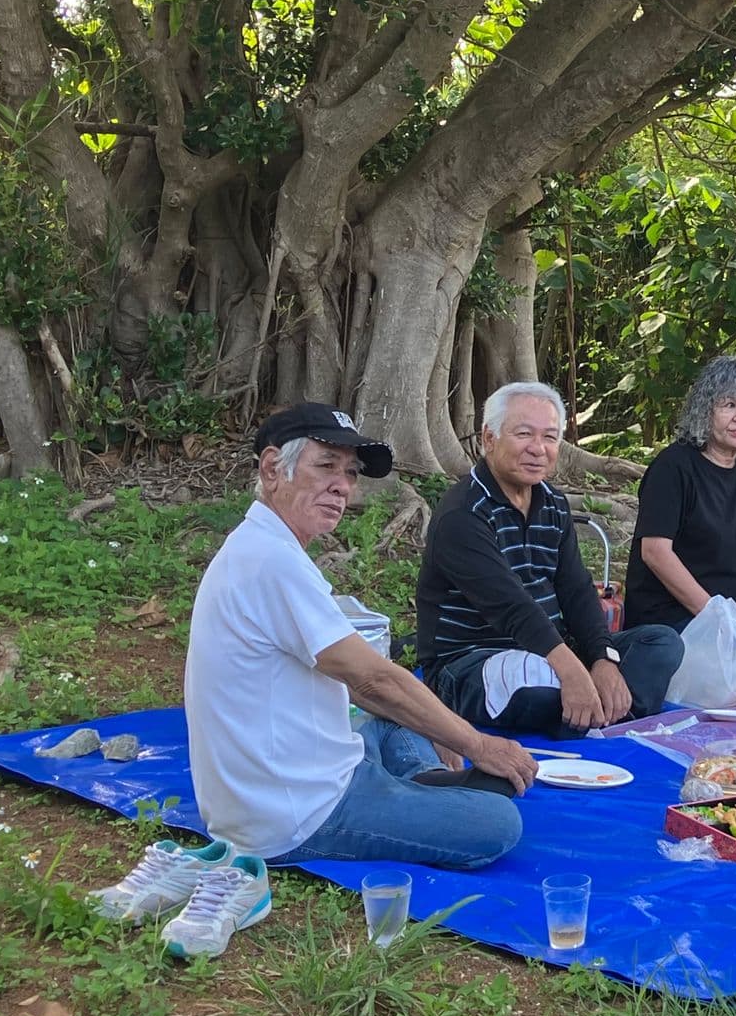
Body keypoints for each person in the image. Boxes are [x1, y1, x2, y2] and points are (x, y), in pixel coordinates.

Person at [163, 405, 534, 957]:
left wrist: (440, 731)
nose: (342, 488)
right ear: (272, 469)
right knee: (498, 823)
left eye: (350, 474)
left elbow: (370, 686)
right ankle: (419, 790)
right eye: (326, 467)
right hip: (298, 813)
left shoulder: (262, 546)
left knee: (387, 722)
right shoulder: (272, 562)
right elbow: (371, 681)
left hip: (296, 771)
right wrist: (476, 742)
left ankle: (422, 782)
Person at [418, 382, 684, 735]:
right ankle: (601, 712)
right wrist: (573, 670)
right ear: (489, 439)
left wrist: (602, 658)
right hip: (476, 660)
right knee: (532, 679)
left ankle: (587, 712)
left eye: (549, 437)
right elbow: (512, 607)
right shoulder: (463, 514)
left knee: (662, 644)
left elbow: (576, 591)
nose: (538, 449)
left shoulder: (554, 504)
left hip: (555, 651)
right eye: (524, 434)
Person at [624, 356, 736, 683]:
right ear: (706, 409)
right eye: (729, 404)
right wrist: (717, 615)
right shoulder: (674, 467)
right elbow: (655, 552)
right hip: (670, 619)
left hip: (729, 617)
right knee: (734, 668)